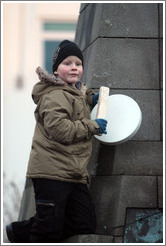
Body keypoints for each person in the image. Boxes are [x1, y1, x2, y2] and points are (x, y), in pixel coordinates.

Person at [6, 40, 108, 243]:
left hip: (73, 173)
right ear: (55, 70)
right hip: (51, 172)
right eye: (67, 63)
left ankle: (19, 232)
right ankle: (21, 233)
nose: (73, 67)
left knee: (84, 223)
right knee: (47, 230)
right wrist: (92, 125)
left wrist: (91, 99)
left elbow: (77, 100)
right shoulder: (53, 95)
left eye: (78, 64)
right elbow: (59, 129)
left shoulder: (74, 94)